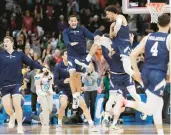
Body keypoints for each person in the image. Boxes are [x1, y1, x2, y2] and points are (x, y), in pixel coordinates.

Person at [127, 14, 170, 135]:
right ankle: (125, 102)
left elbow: (132, 55)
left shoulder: (148, 36)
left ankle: (160, 132)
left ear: (157, 24)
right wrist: (169, 75)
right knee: (150, 110)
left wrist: (136, 71)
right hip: (158, 74)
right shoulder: (169, 38)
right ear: (170, 24)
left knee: (159, 102)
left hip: (145, 72)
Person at [0, 36, 48, 134]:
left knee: (17, 104)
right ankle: (12, 116)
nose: (5, 43)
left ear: (12, 43)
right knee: (8, 108)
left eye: (7, 41)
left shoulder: (19, 54)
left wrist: (42, 67)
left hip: (16, 83)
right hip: (4, 84)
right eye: (4, 42)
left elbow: (31, 62)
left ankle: (20, 126)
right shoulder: (0, 55)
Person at [54, 50, 97, 132]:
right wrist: (64, 81)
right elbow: (55, 81)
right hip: (64, 90)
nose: (69, 55)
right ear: (62, 56)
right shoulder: (58, 66)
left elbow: (79, 78)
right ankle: (59, 124)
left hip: (74, 91)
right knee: (63, 104)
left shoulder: (75, 65)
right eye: (66, 54)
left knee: (84, 105)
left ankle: (91, 124)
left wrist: (81, 86)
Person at [62, 15, 98, 109]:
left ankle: (77, 95)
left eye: (75, 21)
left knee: (77, 76)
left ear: (77, 21)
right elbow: (65, 40)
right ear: (69, 22)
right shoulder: (66, 31)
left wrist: (97, 37)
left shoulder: (82, 29)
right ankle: (74, 97)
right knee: (72, 74)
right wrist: (70, 43)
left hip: (82, 56)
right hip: (71, 56)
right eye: (71, 21)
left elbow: (91, 36)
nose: (73, 22)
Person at [34, 68, 54, 133]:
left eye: (47, 68)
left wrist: (49, 92)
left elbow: (51, 84)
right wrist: (43, 93)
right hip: (41, 94)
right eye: (45, 68)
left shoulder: (50, 75)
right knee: (45, 108)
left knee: (50, 109)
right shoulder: (37, 76)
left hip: (49, 93)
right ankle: (45, 125)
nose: (46, 69)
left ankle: (41, 115)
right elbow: (37, 87)